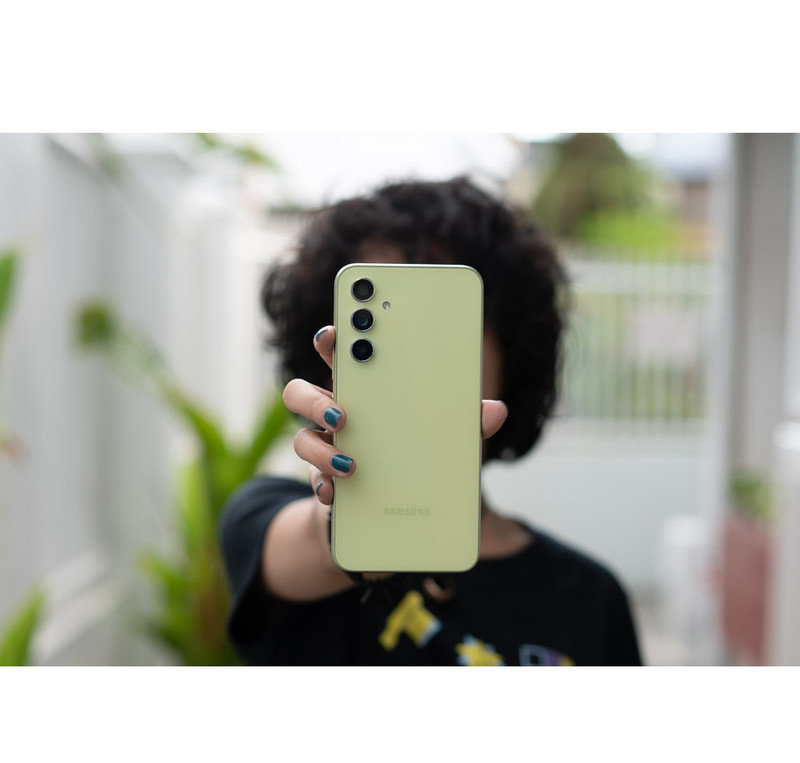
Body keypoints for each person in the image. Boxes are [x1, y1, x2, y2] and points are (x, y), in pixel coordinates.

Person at [219, 176, 643, 666]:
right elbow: (302, 551)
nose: (414, 363)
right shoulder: (260, 516)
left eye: (438, 323)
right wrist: (347, 529)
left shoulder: (591, 598)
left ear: (509, 358)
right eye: (384, 328)